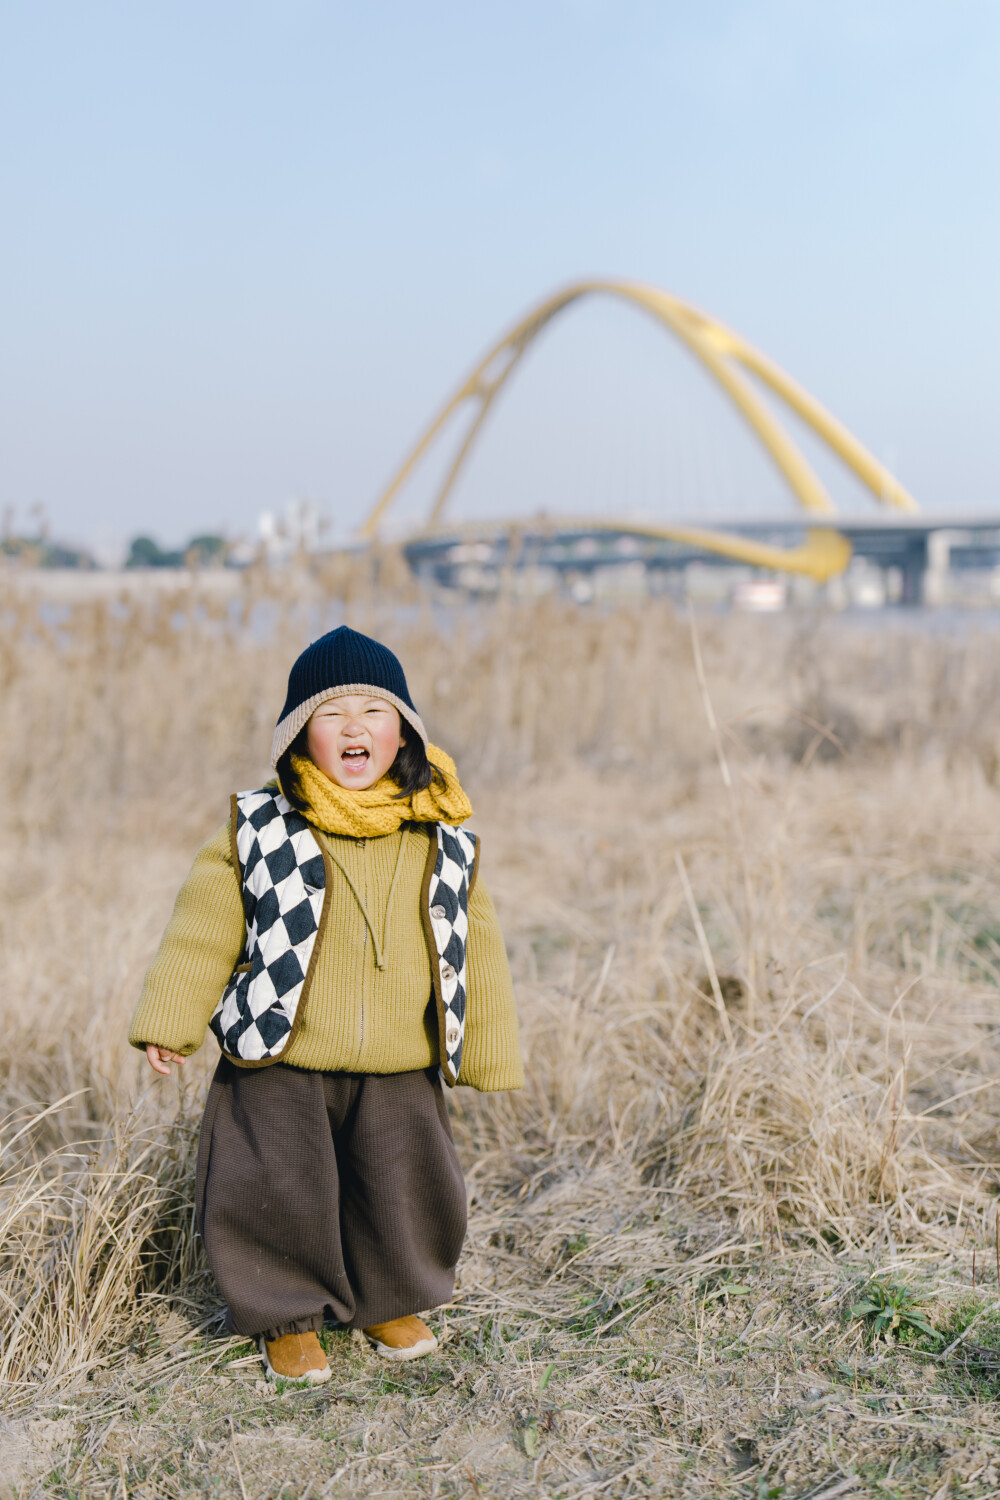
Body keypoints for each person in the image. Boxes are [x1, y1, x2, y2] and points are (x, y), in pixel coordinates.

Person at [129, 625, 523, 1385]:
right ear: (297, 736)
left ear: (403, 731)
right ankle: (287, 1313)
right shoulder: (260, 827)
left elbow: (475, 945)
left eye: (372, 712)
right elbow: (204, 927)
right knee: (274, 1185)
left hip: (398, 1057)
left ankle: (389, 1297)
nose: (352, 727)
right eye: (331, 711)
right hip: (282, 1049)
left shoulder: (441, 835)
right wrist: (171, 1023)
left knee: (401, 1180)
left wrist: (488, 1051)